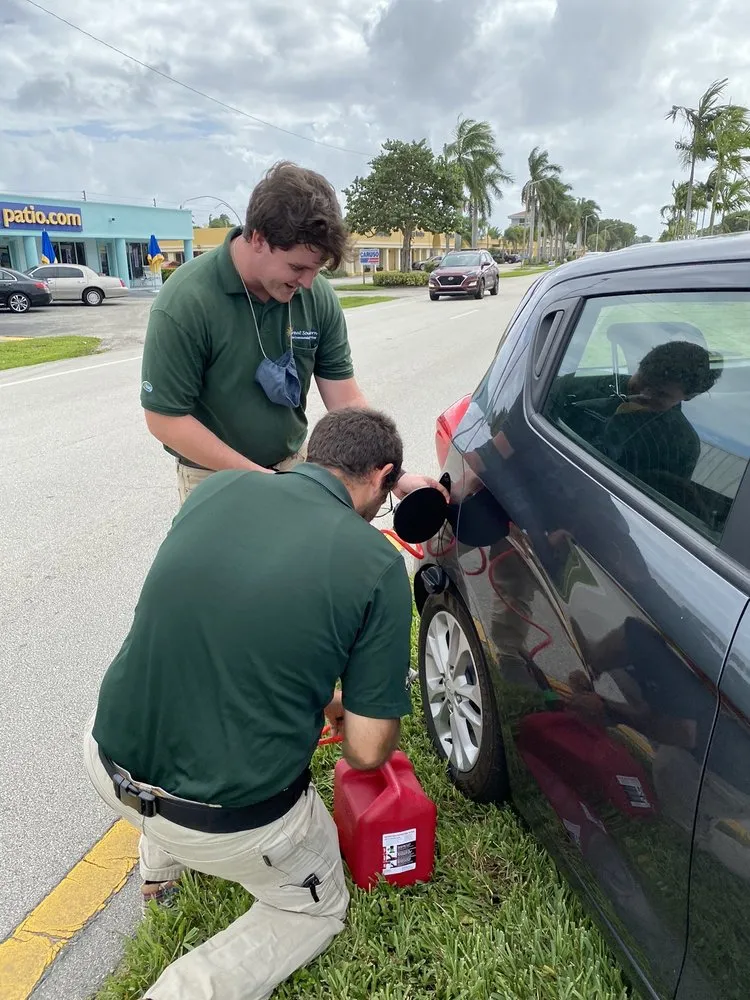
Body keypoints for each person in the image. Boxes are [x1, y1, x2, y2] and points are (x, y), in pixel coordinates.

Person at [84, 407, 414, 1000]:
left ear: (316, 453)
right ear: (381, 475)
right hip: (225, 822)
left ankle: (159, 875)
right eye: (383, 498)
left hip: (103, 761)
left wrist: (324, 696)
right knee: (313, 909)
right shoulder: (377, 563)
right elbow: (366, 751)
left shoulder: (221, 488)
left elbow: (222, 628)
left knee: (182, 687)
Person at [140, 160, 442, 505]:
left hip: (294, 466)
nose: (308, 282)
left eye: (316, 269)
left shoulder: (316, 295)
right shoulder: (187, 300)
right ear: (257, 238)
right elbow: (165, 419)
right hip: (212, 479)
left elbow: (344, 401)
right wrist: (263, 479)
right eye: (297, 267)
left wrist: (391, 477)